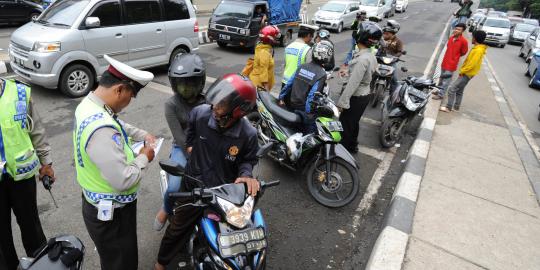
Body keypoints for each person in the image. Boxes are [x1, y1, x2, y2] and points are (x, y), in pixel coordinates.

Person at [154, 73, 260, 270]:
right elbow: (190, 134)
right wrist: (190, 148)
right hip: (195, 185)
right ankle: (160, 264)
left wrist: (246, 175)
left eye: (221, 105)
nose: (215, 108)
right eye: (216, 102)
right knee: (177, 229)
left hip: (224, 191)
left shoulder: (248, 135)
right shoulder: (201, 114)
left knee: (237, 231)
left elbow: (249, 159)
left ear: (238, 111)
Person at [73, 55, 156, 270]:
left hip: (98, 203)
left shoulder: (89, 104)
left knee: (113, 260)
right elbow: (123, 179)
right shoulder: (101, 129)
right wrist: (144, 157)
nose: (128, 103)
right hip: (113, 213)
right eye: (130, 96)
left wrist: (143, 134)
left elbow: (117, 123)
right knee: (121, 263)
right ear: (119, 90)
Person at [0, 78, 55, 270]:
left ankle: (41, 264)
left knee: (31, 226)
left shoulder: (20, 92)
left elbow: (37, 131)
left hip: (21, 177)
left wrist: (46, 163)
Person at [153, 53, 206, 231]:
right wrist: (193, 155)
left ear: (200, 82)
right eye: (181, 83)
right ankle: (165, 209)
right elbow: (180, 137)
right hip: (182, 147)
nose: (186, 88)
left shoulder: (208, 101)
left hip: (206, 146)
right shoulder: (171, 105)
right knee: (175, 186)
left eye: (191, 82)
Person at [336, 22, 381, 153]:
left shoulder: (362, 59)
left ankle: (340, 154)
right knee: (353, 123)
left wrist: (342, 103)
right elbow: (361, 75)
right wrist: (349, 72)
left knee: (345, 127)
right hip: (364, 95)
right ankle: (352, 146)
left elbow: (353, 84)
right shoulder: (369, 55)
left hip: (356, 97)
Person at [278, 40, 334, 133]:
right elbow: (312, 96)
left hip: (292, 105)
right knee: (312, 133)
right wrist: (309, 114)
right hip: (303, 109)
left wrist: (281, 97)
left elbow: (289, 84)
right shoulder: (321, 74)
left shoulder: (302, 66)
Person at [440, 30, 487, 112]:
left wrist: (462, 71)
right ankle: (456, 107)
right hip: (468, 73)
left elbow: (472, 64)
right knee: (459, 90)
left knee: (451, 89)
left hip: (466, 74)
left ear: (475, 38)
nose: (472, 39)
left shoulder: (478, 50)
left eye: (472, 37)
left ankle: (448, 107)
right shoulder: (477, 48)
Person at [433, 23, 469, 100]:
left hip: (451, 64)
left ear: (462, 31)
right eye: (456, 28)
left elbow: (464, 52)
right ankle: (438, 90)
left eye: (459, 29)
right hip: (445, 62)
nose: (456, 30)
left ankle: (441, 95)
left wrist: (454, 58)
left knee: (446, 81)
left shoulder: (464, 41)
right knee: (441, 79)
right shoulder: (451, 38)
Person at [282, 24, 318, 88]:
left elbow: (285, 65)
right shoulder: (307, 49)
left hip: (285, 82)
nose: (311, 39)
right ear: (308, 35)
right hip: (297, 85)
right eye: (311, 37)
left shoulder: (288, 47)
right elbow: (309, 70)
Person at [249, 25, 281, 91]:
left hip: (255, 81)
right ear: (270, 38)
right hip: (259, 85)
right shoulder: (264, 52)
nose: (276, 39)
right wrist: (266, 92)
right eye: (275, 37)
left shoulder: (261, 46)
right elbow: (263, 71)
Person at [380, 20, 404, 92]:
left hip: (391, 61)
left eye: (387, 33)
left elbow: (400, 52)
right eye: (385, 33)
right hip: (380, 59)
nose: (385, 34)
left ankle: (393, 94)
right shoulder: (381, 39)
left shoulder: (398, 41)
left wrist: (395, 57)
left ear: (393, 33)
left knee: (394, 79)